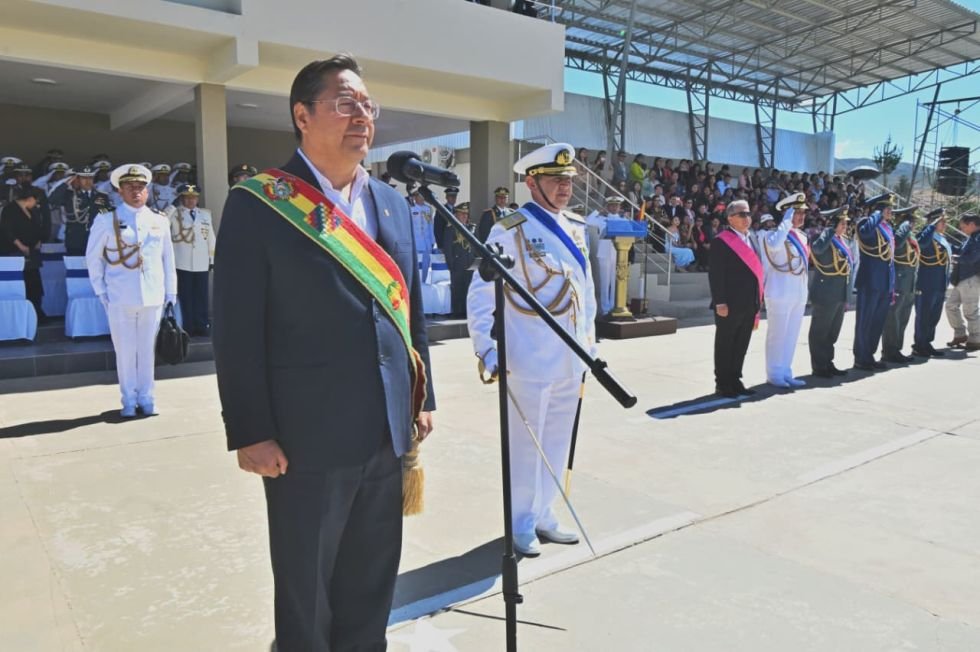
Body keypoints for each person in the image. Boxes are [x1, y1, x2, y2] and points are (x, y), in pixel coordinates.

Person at [211, 54, 435, 651]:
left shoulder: (390, 202)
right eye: (345, 103)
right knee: (306, 591)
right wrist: (251, 430)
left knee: (371, 582)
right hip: (304, 438)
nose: (362, 116)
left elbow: (408, 311)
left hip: (386, 430)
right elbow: (235, 328)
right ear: (302, 116)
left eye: (367, 105)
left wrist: (422, 397)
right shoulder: (260, 203)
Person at [467, 142, 596, 558]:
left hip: (570, 358)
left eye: (568, 180)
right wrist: (487, 350)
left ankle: (544, 514)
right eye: (555, 179)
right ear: (531, 182)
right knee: (526, 445)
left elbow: (585, 292)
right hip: (528, 357)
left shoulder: (575, 226)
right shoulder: (510, 228)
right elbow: (481, 293)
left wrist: (590, 345)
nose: (564, 187)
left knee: (557, 439)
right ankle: (520, 522)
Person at [85, 164, 177, 417]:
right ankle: (128, 400)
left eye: (140, 187)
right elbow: (93, 258)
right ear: (120, 191)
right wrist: (101, 291)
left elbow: (168, 258)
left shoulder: (159, 220)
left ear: (147, 191)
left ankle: (147, 398)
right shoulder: (107, 220)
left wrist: (171, 292)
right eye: (130, 187)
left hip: (153, 294)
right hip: (120, 295)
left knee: (147, 350)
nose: (136, 191)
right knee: (125, 351)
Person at [709, 199, 764, 398]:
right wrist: (720, 302)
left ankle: (735, 379)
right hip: (729, 304)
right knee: (726, 343)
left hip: (749, 302)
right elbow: (716, 274)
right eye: (742, 214)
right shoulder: (721, 241)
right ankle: (723, 383)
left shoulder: (753, 239)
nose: (746, 218)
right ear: (730, 218)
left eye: (748, 214)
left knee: (741, 344)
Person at [760, 192, 809, 387]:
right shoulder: (771, 235)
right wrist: (786, 223)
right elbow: (774, 247)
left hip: (798, 292)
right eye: (797, 212)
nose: (802, 216)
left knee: (791, 335)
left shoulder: (802, 237)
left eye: (803, 212)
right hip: (779, 292)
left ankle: (786, 371)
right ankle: (774, 373)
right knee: (777, 335)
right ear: (788, 213)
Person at [853, 193, 897, 371]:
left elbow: (890, 258)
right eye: (886, 208)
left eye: (890, 209)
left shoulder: (887, 228)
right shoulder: (867, 224)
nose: (890, 212)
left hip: (884, 281)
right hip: (870, 281)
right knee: (865, 321)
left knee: (877, 322)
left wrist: (891, 284)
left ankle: (869, 355)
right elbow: (865, 233)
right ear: (877, 210)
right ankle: (861, 357)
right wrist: (876, 214)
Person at [808, 207, 853, 377]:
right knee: (820, 332)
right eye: (841, 223)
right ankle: (819, 366)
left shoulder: (842, 241)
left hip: (839, 293)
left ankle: (828, 362)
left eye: (845, 224)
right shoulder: (820, 237)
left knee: (832, 332)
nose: (844, 227)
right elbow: (818, 249)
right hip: (825, 293)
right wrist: (830, 230)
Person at [166, 184, 214, 336]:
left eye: (193, 198)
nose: (190, 200)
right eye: (187, 198)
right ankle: (188, 326)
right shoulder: (174, 213)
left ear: (197, 199)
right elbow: (162, 221)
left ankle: (202, 324)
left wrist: (212, 259)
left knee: (201, 295)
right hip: (182, 261)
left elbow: (211, 238)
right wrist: (172, 206)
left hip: (201, 262)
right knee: (185, 296)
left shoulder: (205, 214)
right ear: (181, 199)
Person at [881, 206, 920, 363]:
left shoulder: (910, 236)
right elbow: (897, 243)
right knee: (893, 317)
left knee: (903, 317)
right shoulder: (898, 233)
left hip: (909, 281)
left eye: (912, 221)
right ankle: (889, 350)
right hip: (899, 279)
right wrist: (904, 225)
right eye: (910, 221)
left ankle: (896, 349)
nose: (913, 224)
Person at [0, 185, 45, 318]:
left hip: (32, 251)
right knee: (23, 283)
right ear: (30, 198)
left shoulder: (32, 211)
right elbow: (7, 230)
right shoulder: (10, 209)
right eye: (36, 201)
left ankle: (37, 311)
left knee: (35, 283)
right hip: (15, 251)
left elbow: (37, 226)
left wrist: (38, 240)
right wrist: (20, 245)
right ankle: (25, 313)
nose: (36, 204)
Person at [912, 208, 952, 357]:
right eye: (942, 222)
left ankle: (927, 342)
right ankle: (919, 344)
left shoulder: (941, 239)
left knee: (934, 316)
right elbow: (921, 244)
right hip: (926, 283)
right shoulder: (926, 236)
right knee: (924, 315)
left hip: (939, 283)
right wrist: (930, 227)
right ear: (933, 222)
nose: (945, 225)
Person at [49, 165, 111, 255]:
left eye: (90, 178)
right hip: (75, 240)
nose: (87, 181)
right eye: (84, 178)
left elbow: (107, 215)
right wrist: (66, 183)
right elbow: (52, 200)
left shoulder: (101, 196)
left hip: (95, 239)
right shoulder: (69, 195)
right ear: (77, 179)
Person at [944, 212, 980, 351]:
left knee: (970, 311)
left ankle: (976, 339)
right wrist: (948, 246)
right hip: (962, 279)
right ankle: (960, 334)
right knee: (950, 306)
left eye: (963, 226)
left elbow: (972, 258)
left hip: (971, 279)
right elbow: (962, 251)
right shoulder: (972, 238)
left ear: (972, 224)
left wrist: (955, 258)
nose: (962, 229)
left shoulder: (978, 238)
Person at [585, 196, 620, 315]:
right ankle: (605, 309)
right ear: (607, 207)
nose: (614, 208)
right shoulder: (601, 219)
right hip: (604, 251)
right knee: (605, 282)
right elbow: (588, 220)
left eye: (616, 205)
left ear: (619, 207)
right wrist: (598, 211)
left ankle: (614, 306)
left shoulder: (623, 220)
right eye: (612, 205)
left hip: (618, 251)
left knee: (615, 282)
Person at [440, 202, 476, 318]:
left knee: (469, 288)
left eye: (466, 214)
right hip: (457, 263)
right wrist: (451, 265)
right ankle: (457, 312)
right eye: (462, 214)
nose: (465, 216)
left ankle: (467, 311)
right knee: (457, 288)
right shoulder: (451, 229)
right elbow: (448, 248)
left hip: (470, 263)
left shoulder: (472, 228)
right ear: (456, 215)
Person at [409, 188, 435, 282]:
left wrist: (432, 240)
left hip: (426, 242)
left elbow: (430, 225)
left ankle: (423, 281)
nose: (422, 198)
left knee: (426, 265)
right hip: (416, 242)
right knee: (417, 265)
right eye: (419, 196)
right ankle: (418, 283)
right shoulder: (411, 209)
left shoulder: (428, 209)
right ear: (415, 197)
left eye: (423, 196)